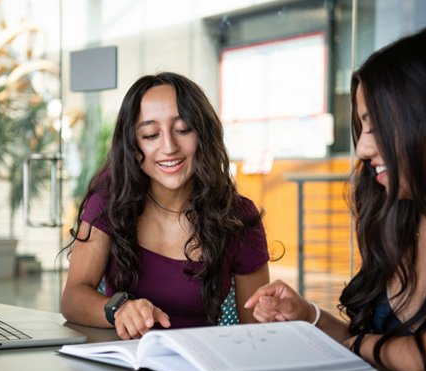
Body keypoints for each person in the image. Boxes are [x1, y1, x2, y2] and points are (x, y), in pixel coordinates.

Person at [245, 26, 426, 371]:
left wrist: (361, 344)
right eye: (363, 127)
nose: (363, 149)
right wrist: (309, 317)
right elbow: (380, 346)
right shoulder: (400, 221)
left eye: (378, 126)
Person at [61, 72, 272, 340]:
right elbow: (72, 298)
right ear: (133, 144)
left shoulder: (237, 216)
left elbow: (258, 330)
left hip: (201, 367)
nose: (169, 147)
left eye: (183, 129)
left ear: (203, 135)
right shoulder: (109, 200)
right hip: (123, 363)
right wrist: (119, 310)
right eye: (150, 134)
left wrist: (282, 314)